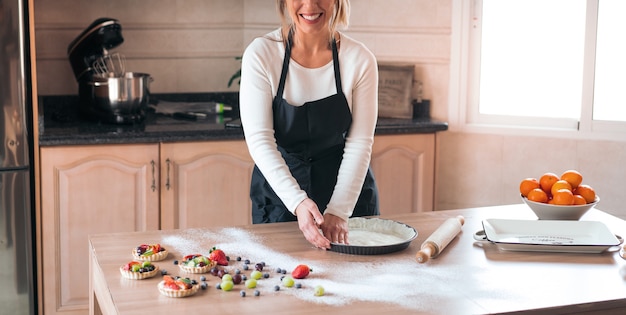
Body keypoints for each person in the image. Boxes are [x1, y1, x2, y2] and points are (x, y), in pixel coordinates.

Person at [239, 0, 379, 249]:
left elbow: (359, 142)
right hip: (280, 195)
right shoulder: (262, 54)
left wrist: (339, 210)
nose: (310, 5)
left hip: (347, 194)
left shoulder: (360, 59)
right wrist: (297, 201)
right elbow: (260, 140)